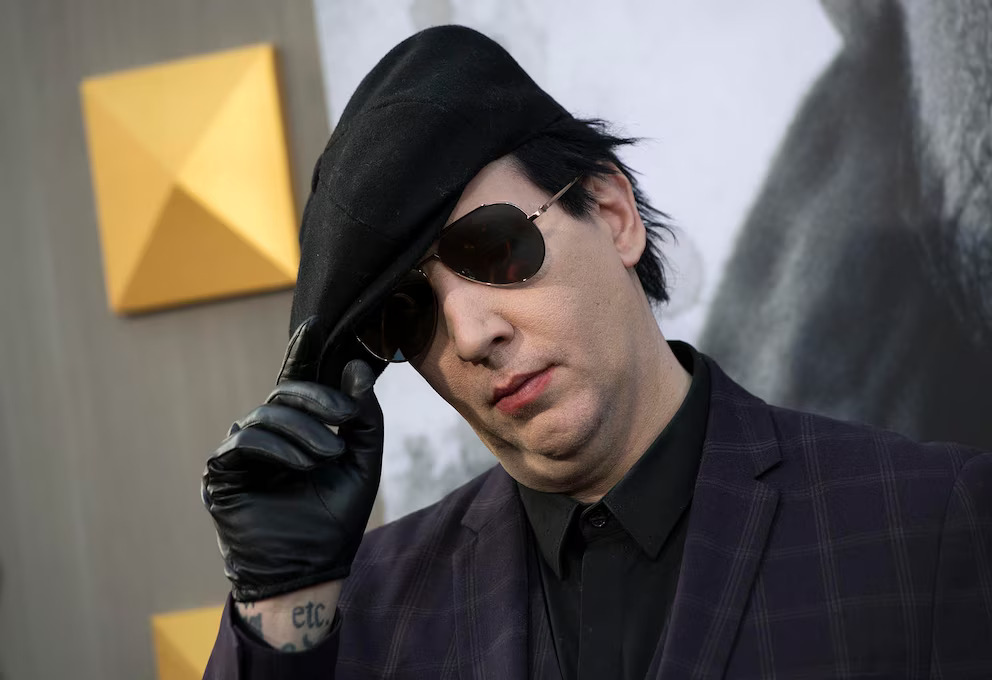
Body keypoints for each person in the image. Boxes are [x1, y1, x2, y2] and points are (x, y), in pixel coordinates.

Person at [201, 25, 992, 679]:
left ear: (613, 215)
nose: (471, 334)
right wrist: (283, 604)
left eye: (494, 247)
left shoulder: (924, 523)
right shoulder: (363, 609)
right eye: (408, 314)